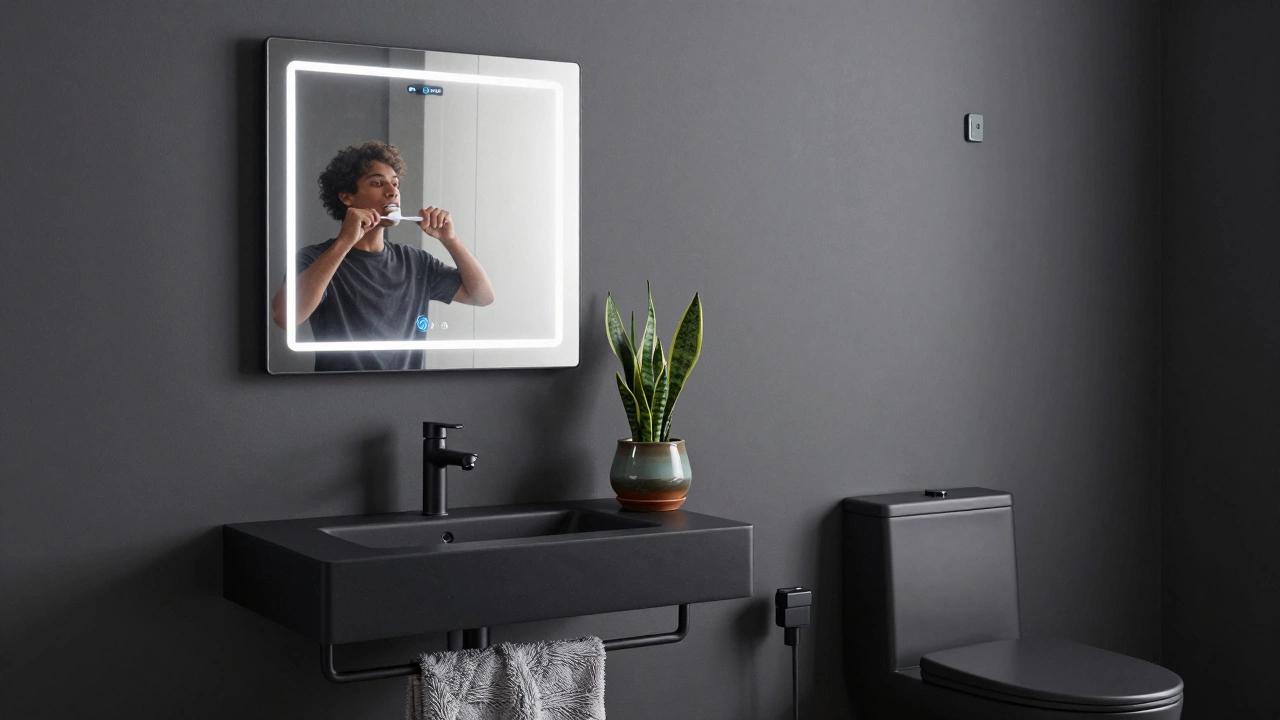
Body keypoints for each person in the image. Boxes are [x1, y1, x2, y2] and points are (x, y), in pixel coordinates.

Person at [271, 141, 495, 372]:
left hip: (406, 401)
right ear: (347, 198)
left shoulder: (416, 262)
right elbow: (285, 317)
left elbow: (482, 296)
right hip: (338, 401)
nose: (392, 191)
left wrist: (451, 240)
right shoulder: (315, 259)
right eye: (377, 183)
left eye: (395, 183)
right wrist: (345, 242)